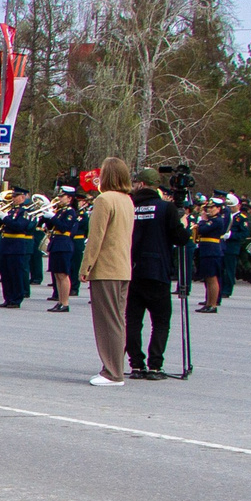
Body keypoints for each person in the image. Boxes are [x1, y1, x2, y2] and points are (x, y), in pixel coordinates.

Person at [83, 158, 134, 386]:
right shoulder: (127, 200)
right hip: (122, 267)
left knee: (107, 321)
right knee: (117, 320)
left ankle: (113, 372)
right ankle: (113, 367)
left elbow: (96, 238)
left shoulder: (104, 200)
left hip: (106, 267)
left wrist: (86, 266)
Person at [125, 171, 179, 377]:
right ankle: (155, 364)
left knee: (133, 320)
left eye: (136, 182)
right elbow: (179, 237)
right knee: (161, 321)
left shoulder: (130, 205)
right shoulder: (166, 207)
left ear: (143, 184)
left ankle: (136, 364)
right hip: (157, 269)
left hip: (132, 268)